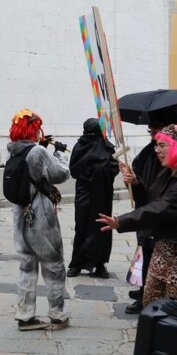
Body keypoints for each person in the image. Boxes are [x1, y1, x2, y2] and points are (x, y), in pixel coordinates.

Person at [100, 125, 177, 306]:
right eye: (156, 145)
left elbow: (161, 209)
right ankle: (153, 333)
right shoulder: (167, 172)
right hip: (164, 244)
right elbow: (150, 199)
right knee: (151, 300)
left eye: (162, 145)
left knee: (174, 306)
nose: (156, 150)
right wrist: (136, 182)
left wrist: (122, 221)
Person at [5, 109, 71, 330]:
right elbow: (60, 174)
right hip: (40, 216)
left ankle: (25, 316)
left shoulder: (12, 151)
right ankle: (58, 314)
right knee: (54, 266)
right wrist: (60, 153)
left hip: (19, 216)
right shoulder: (38, 152)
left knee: (27, 267)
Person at [124, 118, 174, 310]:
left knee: (158, 257)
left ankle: (155, 297)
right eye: (151, 129)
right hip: (147, 211)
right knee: (146, 251)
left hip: (163, 216)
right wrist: (134, 180)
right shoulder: (148, 152)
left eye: (156, 128)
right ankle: (145, 293)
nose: (152, 131)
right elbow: (145, 188)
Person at [68, 118, 119, 278]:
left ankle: (100, 263)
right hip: (84, 192)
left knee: (101, 226)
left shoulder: (106, 145)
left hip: (102, 193)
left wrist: (104, 169)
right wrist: (91, 171)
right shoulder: (80, 146)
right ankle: (77, 263)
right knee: (81, 225)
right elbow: (74, 170)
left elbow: (113, 167)